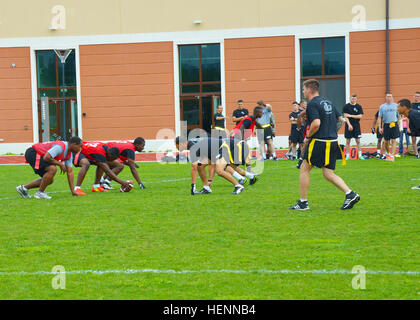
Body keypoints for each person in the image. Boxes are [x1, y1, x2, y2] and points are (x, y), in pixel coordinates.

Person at [289, 79, 360, 211]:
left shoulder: (312, 104)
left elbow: (316, 123)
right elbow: (341, 120)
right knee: (328, 173)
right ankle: (350, 194)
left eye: (304, 89)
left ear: (309, 90)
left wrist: (308, 137)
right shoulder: (328, 101)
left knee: (304, 168)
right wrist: (332, 132)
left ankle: (303, 203)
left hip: (319, 142)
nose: (303, 91)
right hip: (333, 141)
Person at [175, 136, 258, 195]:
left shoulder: (193, 147)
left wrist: (193, 186)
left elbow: (193, 168)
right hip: (221, 149)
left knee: (220, 170)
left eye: (177, 146)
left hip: (225, 147)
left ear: (182, 143)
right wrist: (209, 181)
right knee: (201, 166)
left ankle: (238, 186)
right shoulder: (194, 145)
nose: (176, 148)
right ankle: (206, 188)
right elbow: (211, 163)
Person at [16, 137, 83, 199]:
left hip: (39, 155)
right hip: (34, 152)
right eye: (80, 146)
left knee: (49, 180)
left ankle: (23, 188)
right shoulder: (60, 147)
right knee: (52, 169)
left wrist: (72, 191)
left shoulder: (69, 154)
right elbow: (46, 157)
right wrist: (60, 164)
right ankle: (40, 193)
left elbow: (70, 172)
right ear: (74, 144)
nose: (80, 149)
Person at [378, 93, 400, 162]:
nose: (388, 98)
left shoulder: (396, 106)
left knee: (394, 140)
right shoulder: (382, 106)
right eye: (387, 96)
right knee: (386, 141)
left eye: (390, 96)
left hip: (394, 124)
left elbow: (399, 116)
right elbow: (379, 117)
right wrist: (380, 127)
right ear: (385, 97)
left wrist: (399, 125)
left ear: (392, 97)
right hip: (386, 125)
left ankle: (392, 156)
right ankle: (388, 153)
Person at [343, 94, 364, 160]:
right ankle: (347, 155)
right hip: (348, 125)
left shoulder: (359, 106)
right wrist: (349, 125)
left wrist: (351, 115)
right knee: (348, 141)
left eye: (354, 99)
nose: (353, 100)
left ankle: (360, 155)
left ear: (356, 99)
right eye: (352, 98)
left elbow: (360, 116)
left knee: (358, 140)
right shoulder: (346, 106)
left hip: (356, 125)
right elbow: (345, 116)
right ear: (350, 98)